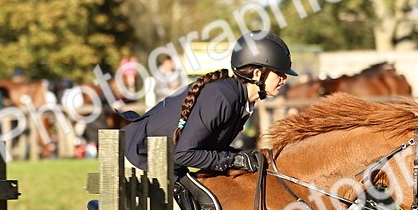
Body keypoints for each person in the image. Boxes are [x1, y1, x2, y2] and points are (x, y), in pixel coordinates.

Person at [121, 30, 296, 174]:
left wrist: (244, 155)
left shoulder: (241, 99)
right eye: (279, 73)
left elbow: (209, 149)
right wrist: (233, 159)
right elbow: (183, 154)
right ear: (258, 74)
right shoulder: (223, 97)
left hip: (164, 163)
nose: (284, 79)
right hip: (138, 159)